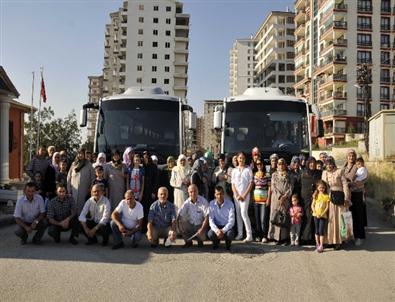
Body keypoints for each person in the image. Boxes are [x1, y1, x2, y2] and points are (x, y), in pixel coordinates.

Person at [322, 156, 350, 250]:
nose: (329, 165)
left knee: (341, 220)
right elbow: (322, 186)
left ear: (333, 163)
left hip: (340, 199)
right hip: (329, 200)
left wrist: (346, 198)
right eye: (327, 164)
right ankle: (329, 240)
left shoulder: (339, 171)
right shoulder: (324, 173)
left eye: (330, 163)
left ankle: (339, 241)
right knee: (330, 221)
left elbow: (345, 185)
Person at [343, 149, 368, 246]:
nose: (351, 158)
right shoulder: (344, 167)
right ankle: (349, 236)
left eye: (353, 156)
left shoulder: (358, 166)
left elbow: (364, 177)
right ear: (347, 157)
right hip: (347, 194)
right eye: (349, 156)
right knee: (348, 216)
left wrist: (351, 184)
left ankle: (359, 237)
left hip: (356, 194)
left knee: (358, 216)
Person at [268, 158, 292, 245]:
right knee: (276, 216)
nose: (281, 166)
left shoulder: (289, 175)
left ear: (285, 165)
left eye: (282, 164)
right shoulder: (274, 175)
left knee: (285, 217)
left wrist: (285, 196)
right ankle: (275, 237)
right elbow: (273, 187)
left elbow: (290, 188)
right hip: (276, 199)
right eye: (279, 164)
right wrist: (280, 196)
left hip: (285, 200)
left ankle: (285, 238)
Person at [231, 152, 254, 242]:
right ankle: (240, 234)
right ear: (237, 159)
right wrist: (236, 194)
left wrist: (244, 195)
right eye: (239, 158)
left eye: (243, 158)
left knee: (244, 213)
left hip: (245, 196)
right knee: (238, 215)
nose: (241, 160)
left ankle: (249, 235)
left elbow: (251, 183)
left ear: (245, 159)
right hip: (236, 196)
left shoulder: (248, 170)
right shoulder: (234, 170)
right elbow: (233, 184)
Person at [300, 157, 322, 244]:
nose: (312, 164)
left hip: (316, 199)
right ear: (308, 163)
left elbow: (322, 184)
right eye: (310, 163)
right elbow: (298, 185)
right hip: (305, 199)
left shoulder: (319, 173)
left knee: (315, 218)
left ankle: (314, 239)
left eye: (314, 163)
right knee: (306, 217)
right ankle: (305, 238)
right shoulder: (303, 173)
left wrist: (317, 191)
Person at [67, 149, 95, 214]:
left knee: (82, 208)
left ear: (84, 155)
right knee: (73, 208)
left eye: (81, 154)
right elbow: (69, 177)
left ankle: (81, 222)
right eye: (79, 153)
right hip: (73, 191)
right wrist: (69, 190)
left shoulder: (89, 164)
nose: (80, 155)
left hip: (84, 191)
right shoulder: (73, 164)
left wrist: (91, 189)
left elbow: (93, 178)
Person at [207, 186, 235, 250]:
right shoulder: (211, 203)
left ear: (223, 194)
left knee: (230, 233)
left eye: (221, 194)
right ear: (215, 195)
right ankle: (216, 243)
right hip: (217, 226)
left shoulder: (230, 204)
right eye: (217, 194)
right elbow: (211, 220)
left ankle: (228, 244)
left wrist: (223, 230)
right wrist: (217, 231)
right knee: (210, 234)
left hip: (226, 226)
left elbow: (232, 221)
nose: (219, 196)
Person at [253, 157, 271, 243]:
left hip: (264, 200)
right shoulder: (254, 174)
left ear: (263, 165)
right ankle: (258, 235)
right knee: (257, 219)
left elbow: (270, 187)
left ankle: (264, 236)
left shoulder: (267, 174)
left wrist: (268, 199)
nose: (259, 165)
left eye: (260, 164)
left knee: (263, 219)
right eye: (257, 164)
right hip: (256, 200)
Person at [311, 180, 330, 253]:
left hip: (323, 216)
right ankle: (317, 244)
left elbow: (327, 207)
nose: (321, 189)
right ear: (317, 188)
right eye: (320, 188)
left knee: (321, 230)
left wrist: (322, 214)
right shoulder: (315, 195)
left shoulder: (326, 196)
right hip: (315, 215)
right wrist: (315, 212)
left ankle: (321, 245)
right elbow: (312, 205)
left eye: (323, 188)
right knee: (316, 230)